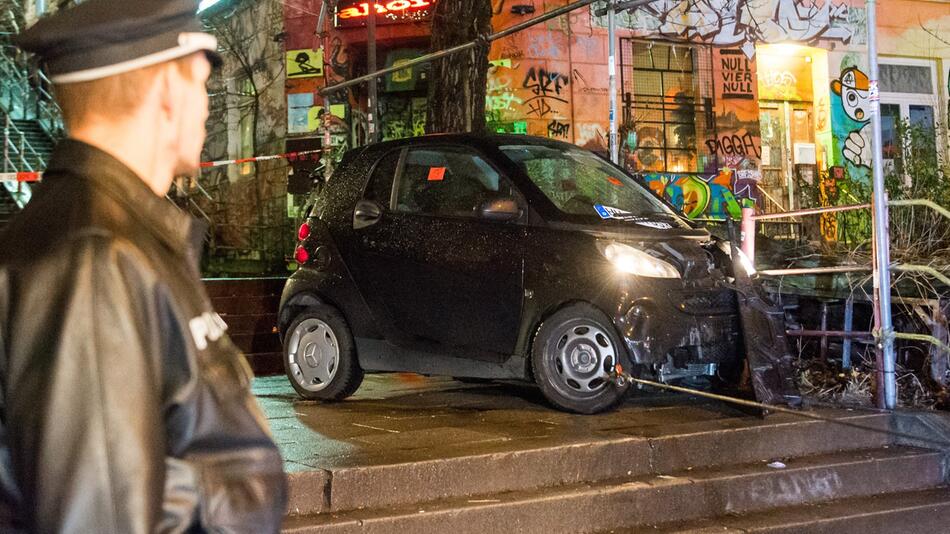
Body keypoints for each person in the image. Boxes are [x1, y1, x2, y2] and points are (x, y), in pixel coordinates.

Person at [0, 1, 288, 532]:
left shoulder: (121, 239)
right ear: (166, 95)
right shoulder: (96, 258)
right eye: (201, 84)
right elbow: (97, 515)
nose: (205, 107)